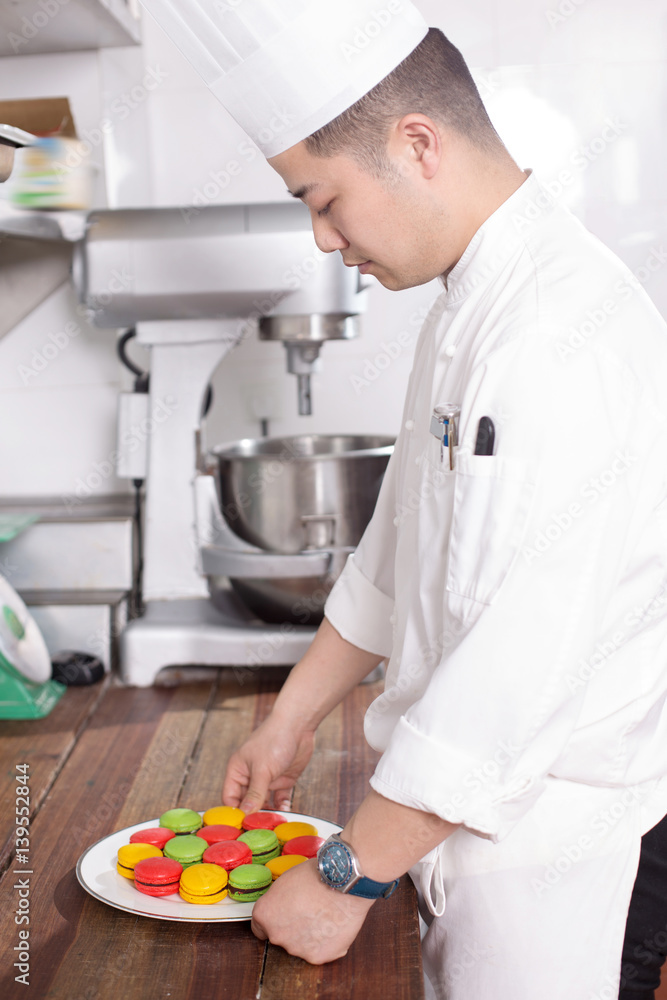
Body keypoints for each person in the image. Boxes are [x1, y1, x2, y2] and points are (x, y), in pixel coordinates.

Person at [141, 2, 667, 996]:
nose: (324, 238)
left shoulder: (560, 339)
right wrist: (292, 717)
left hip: (562, 856)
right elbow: (397, 552)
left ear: (416, 144)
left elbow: (514, 673)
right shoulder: (466, 306)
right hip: (448, 831)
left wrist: (346, 875)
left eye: (324, 198)